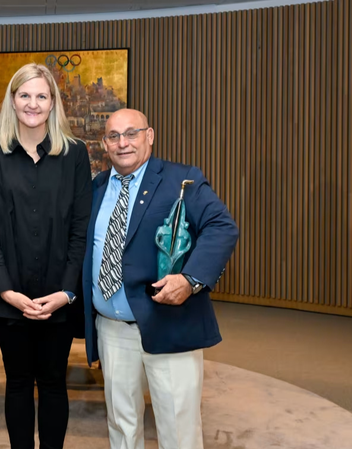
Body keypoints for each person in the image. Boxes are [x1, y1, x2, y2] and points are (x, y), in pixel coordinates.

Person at [82, 108, 239, 449]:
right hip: (111, 327)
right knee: (121, 425)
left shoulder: (181, 180)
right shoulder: (95, 188)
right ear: (104, 144)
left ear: (149, 136)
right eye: (113, 136)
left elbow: (222, 227)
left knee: (178, 428)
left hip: (168, 322)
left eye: (132, 133)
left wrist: (191, 279)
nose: (123, 143)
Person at [0, 63, 92, 449]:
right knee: (18, 381)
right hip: (10, 296)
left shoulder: (75, 154)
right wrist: (5, 291)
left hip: (58, 293)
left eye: (41, 95)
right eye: (25, 95)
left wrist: (67, 292)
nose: (33, 103)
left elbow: (80, 229)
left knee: (54, 382)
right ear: (12, 100)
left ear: (53, 102)